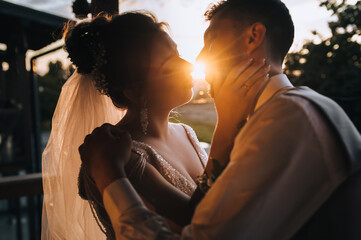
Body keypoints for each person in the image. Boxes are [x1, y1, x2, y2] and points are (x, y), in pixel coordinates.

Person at [79, 0, 361, 239]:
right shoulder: (291, 112)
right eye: (170, 62)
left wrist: (110, 177)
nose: (197, 60)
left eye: (210, 42)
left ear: (253, 38)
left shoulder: (284, 121)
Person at [41, 11, 269, 239]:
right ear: (135, 91)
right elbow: (198, 221)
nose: (188, 65)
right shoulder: (121, 156)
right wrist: (227, 123)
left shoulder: (186, 132)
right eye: (169, 65)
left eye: (178, 53)